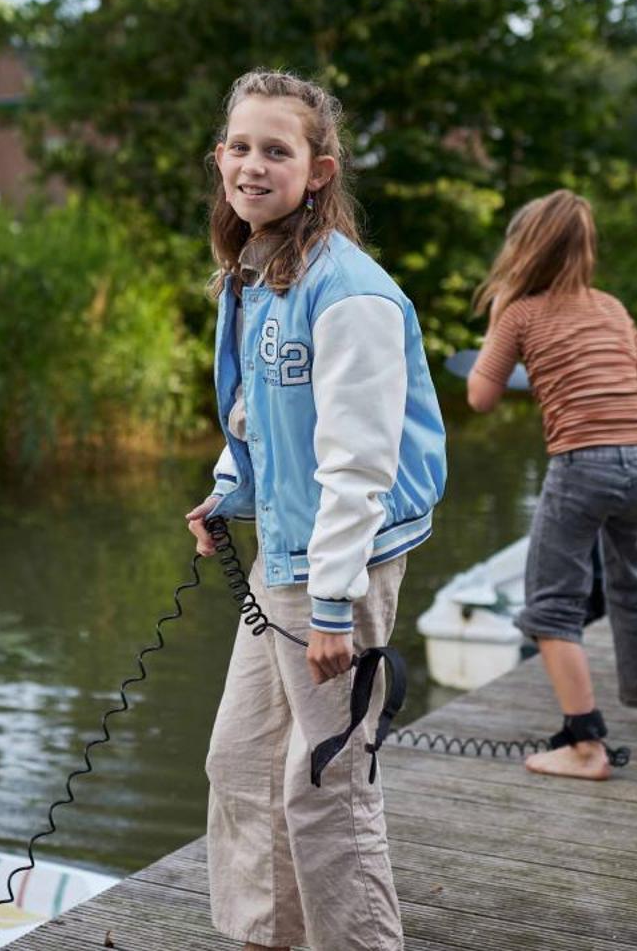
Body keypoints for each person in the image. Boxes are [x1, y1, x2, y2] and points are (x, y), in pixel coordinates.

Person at [184, 70, 446, 951]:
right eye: (241, 147)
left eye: (277, 150)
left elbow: (359, 466)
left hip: (341, 562)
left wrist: (335, 603)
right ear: (219, 156)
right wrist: (229, 489)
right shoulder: (256, 273)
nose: (253, 166)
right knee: (242, 759)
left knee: (328, 784)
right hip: (285, 552)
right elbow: (261, 411)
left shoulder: (353, 294)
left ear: (319, 169)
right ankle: (268, 937)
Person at [466, 190, 637, 782]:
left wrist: (500, 327)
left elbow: (480, 397)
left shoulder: (519, 314)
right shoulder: (611, 308)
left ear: (523, 251)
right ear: (586, 250)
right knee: (633, 577)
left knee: (548, 605)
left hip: (581, 465)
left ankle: (585, 743)